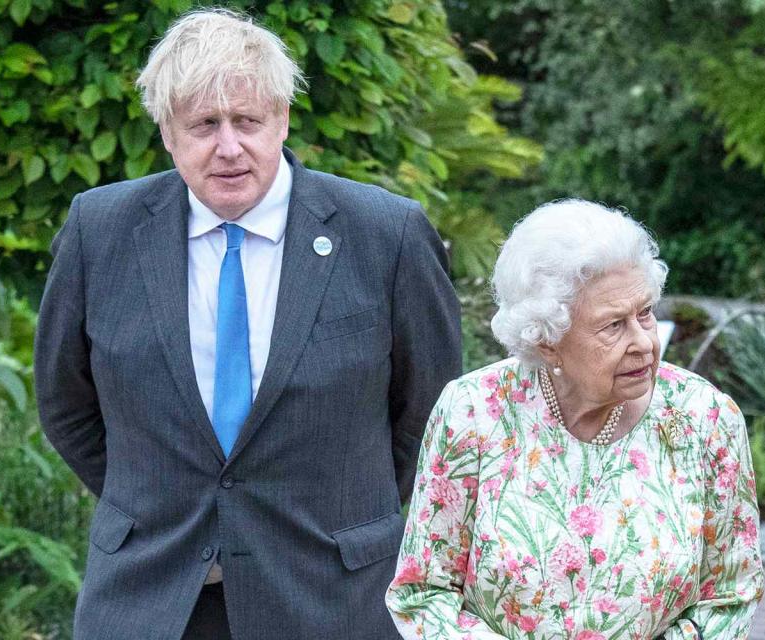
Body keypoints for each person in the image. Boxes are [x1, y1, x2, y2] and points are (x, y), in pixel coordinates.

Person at [34, 8, 461, 639]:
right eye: (204, 125)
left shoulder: (385, 234)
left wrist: (341, 514)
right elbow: (65, 402)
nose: (229, 147)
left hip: (330, 598)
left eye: (248, 121)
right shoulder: (101, 231)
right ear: (167, 133)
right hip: (151, 599)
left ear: (282, 119)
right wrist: (167, 502)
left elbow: (432, 416)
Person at [386, 199, 763, 640]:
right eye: (613, 326)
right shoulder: (473, 412)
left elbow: (731, 595)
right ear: (547, 342)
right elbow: (424, 590)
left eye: (645, 313)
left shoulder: (706, 418)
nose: (644, 341)